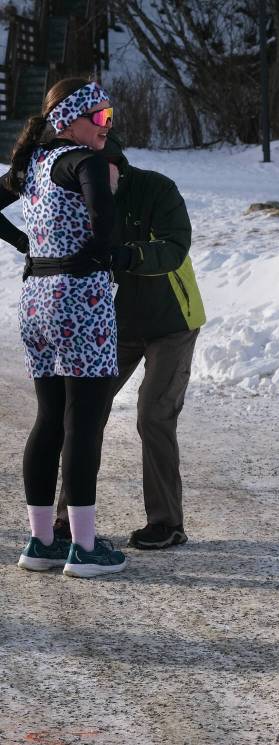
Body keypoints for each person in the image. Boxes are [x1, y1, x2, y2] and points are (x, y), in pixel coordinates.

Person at [0, 78, 130, 578]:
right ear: (70, 120)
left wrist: (24, 245)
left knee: (49, 417)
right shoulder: (85, 161)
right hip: (81, 300)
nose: (107, 126)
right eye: (99, 117)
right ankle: (85, 547)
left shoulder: (32, 164)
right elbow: (106, 226)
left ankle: (40, 541)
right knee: (85, 420)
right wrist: (106, 253)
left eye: (109, 116)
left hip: (35, 298)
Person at [51, 132, 204, 550]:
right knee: (83, 413)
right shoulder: (74, 199)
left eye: (104, 171)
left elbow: (174, 248)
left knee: (153, 414)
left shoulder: (157, 188)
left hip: (172, 321)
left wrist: (126, 255)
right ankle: (68, 518)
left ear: (119, 163)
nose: (97, 181)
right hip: (113, 324)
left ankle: (167, 522)